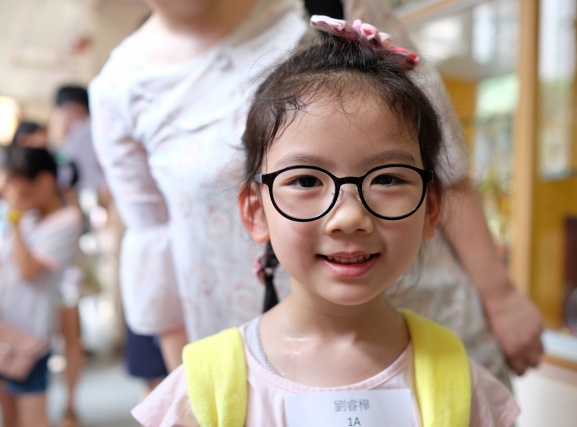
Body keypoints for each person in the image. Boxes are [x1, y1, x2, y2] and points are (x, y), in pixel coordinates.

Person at [90, 0, 542, 383]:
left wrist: (500, 296)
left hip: (426, 330)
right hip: (258, 361)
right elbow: (155, 242)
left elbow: (444, 166)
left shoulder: (334, 6)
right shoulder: (119, 88)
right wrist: (194, 386)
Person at [0, 147, 83, 427]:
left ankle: (70, 407)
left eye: (19, 186)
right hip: (5, 331)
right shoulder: (30, 218)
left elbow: (27, 271)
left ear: (45, 181)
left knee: (32, 420)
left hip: (30, 338)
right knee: (9, 419)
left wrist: (14, 218)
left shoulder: (67, 221)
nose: (15, 193)